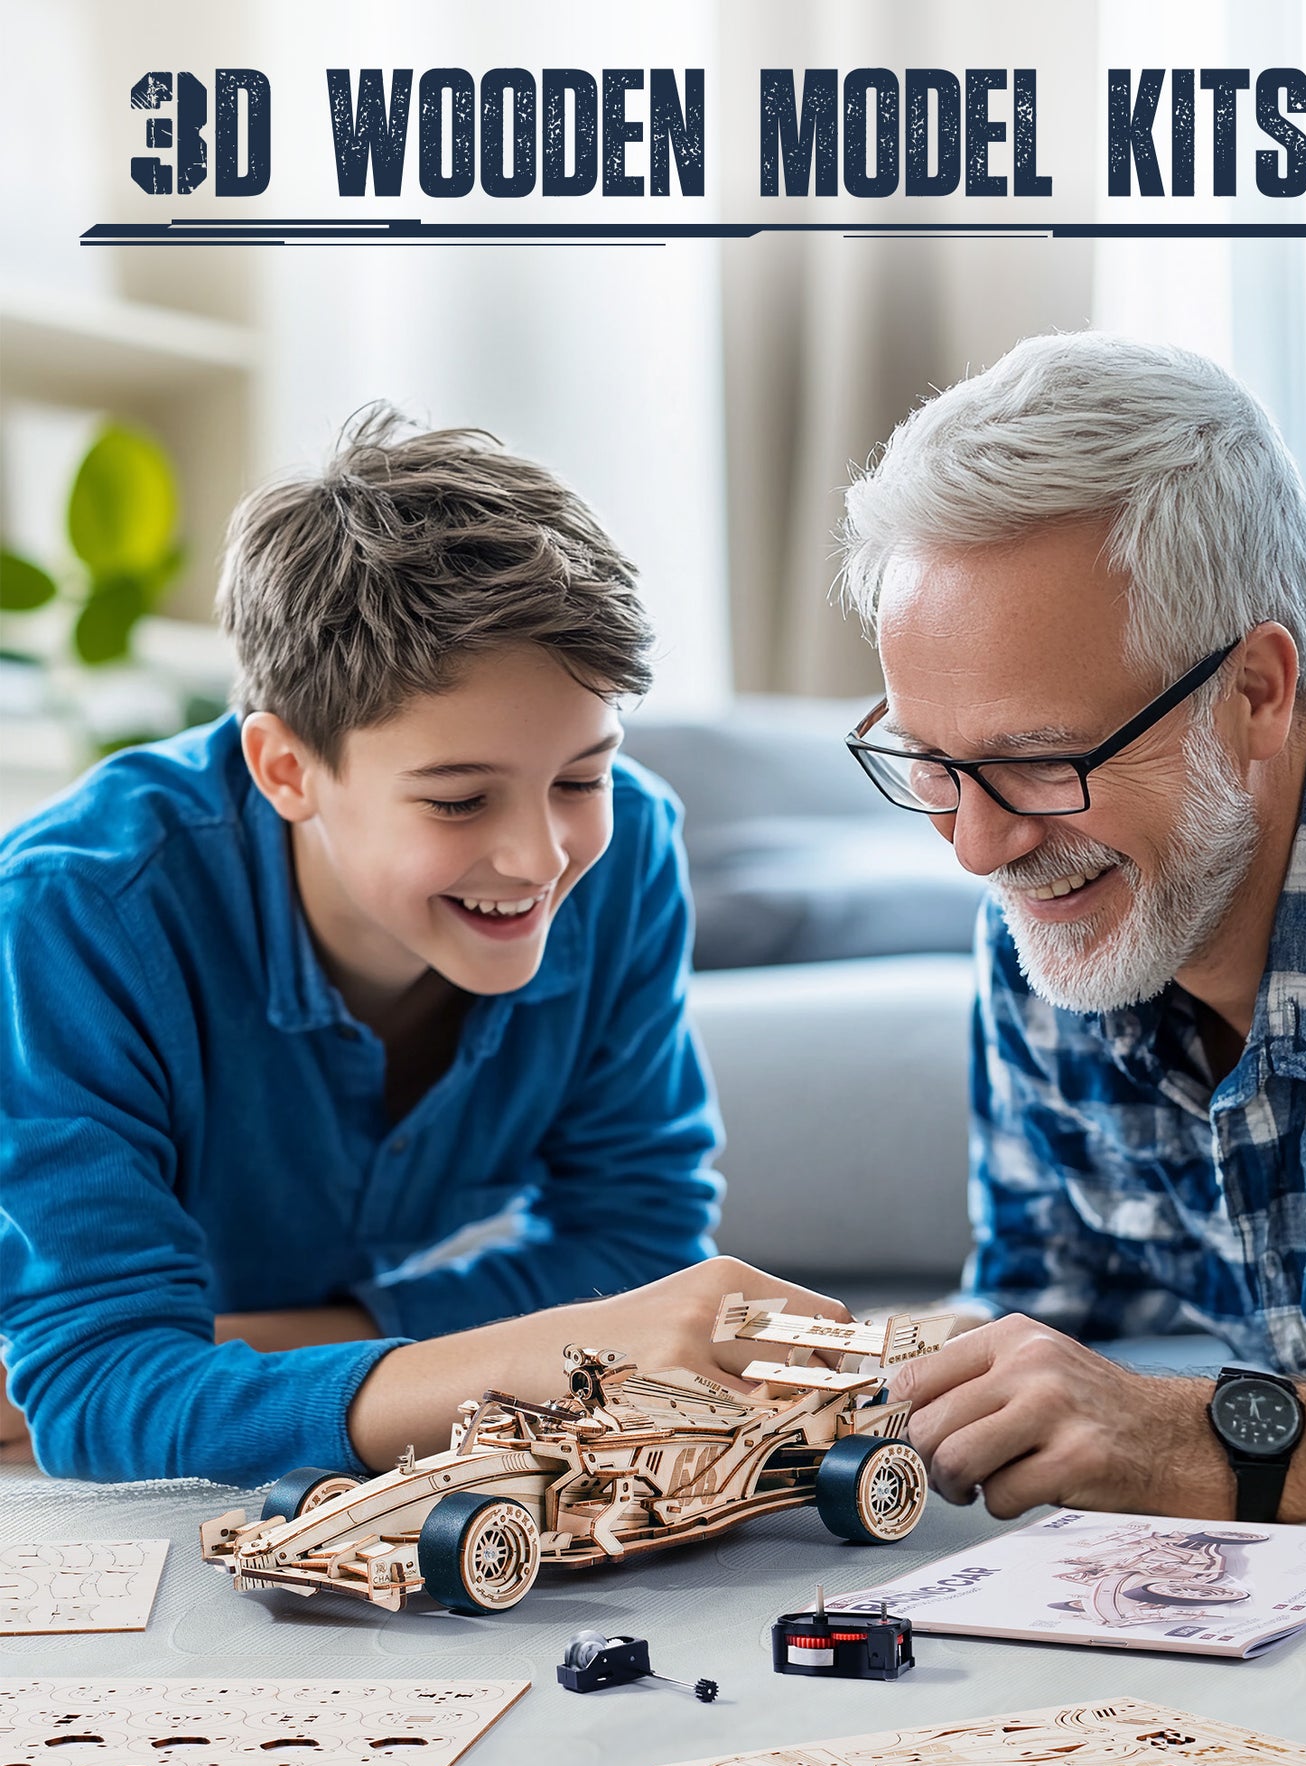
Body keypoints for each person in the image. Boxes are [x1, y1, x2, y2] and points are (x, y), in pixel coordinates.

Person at [0, 408, 841, 1487]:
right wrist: (534, 1359)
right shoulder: (73, 914)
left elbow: (636, 1243)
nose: (541, 857)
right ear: (286, 770)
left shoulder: (629, 849)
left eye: (580, 777)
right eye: (457, 801)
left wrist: (276, 1336)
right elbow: (98, 1395)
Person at [838, 333, 1306, 1522]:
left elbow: (1147, 1425)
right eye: (927, 765)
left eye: (1041, 760)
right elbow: (1042, 1311)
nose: (975, 848)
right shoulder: (1054, 900)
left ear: (1256, 695)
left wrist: (1206, 1444)